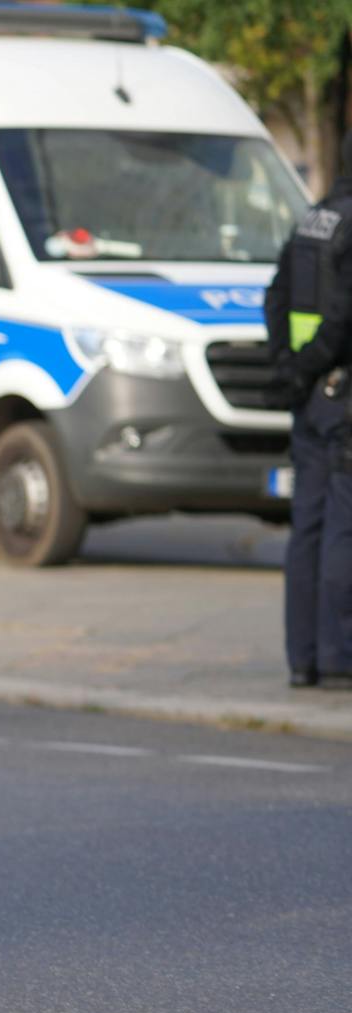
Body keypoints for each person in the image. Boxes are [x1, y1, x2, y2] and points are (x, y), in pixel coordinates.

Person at [266, 132, 352, 691]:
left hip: (309, 396)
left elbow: (274, 297)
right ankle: (340, 654)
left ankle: (303, 658)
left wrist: (290, 367)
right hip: (342, 394)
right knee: (344, 527)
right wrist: (315, 363)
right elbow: (344, 317)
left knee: (309, 527)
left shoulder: (312, 220)